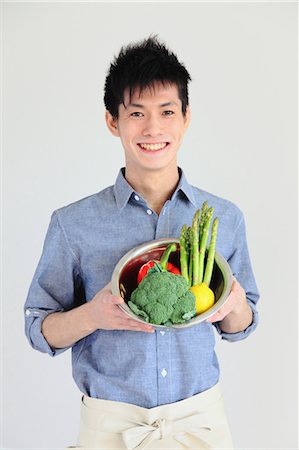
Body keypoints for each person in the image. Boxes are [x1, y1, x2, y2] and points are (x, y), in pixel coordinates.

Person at [24, 36, 259, 450]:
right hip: (111, 429)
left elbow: (239, 327)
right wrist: (93, 315)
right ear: (113, 121)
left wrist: (236, 304)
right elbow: (39, 330)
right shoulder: (72, 223)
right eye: (137, 113)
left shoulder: (224, 218)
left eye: (167, 111)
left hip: (200, 426)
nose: (153, 129)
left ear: (186, 118)